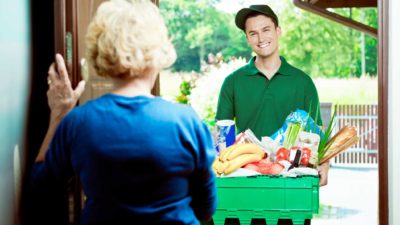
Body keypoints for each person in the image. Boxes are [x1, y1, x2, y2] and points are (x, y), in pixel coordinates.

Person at [27, 1, 217, 225]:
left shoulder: (77, 122)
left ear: (102, 52)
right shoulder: (186, 121)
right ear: (158, 51)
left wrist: (59, 115)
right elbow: (205, 209)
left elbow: (40, 193)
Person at [215, 4, 330, 187]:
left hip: (292, 181)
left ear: (278, 31)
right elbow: (222, 133)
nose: (261, 38)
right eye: (253, 33)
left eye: (266, 30)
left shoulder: (303, 82)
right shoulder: (233, 82)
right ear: (247, 38)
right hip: (245, 177)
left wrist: (325, 165)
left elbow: (318, 133)